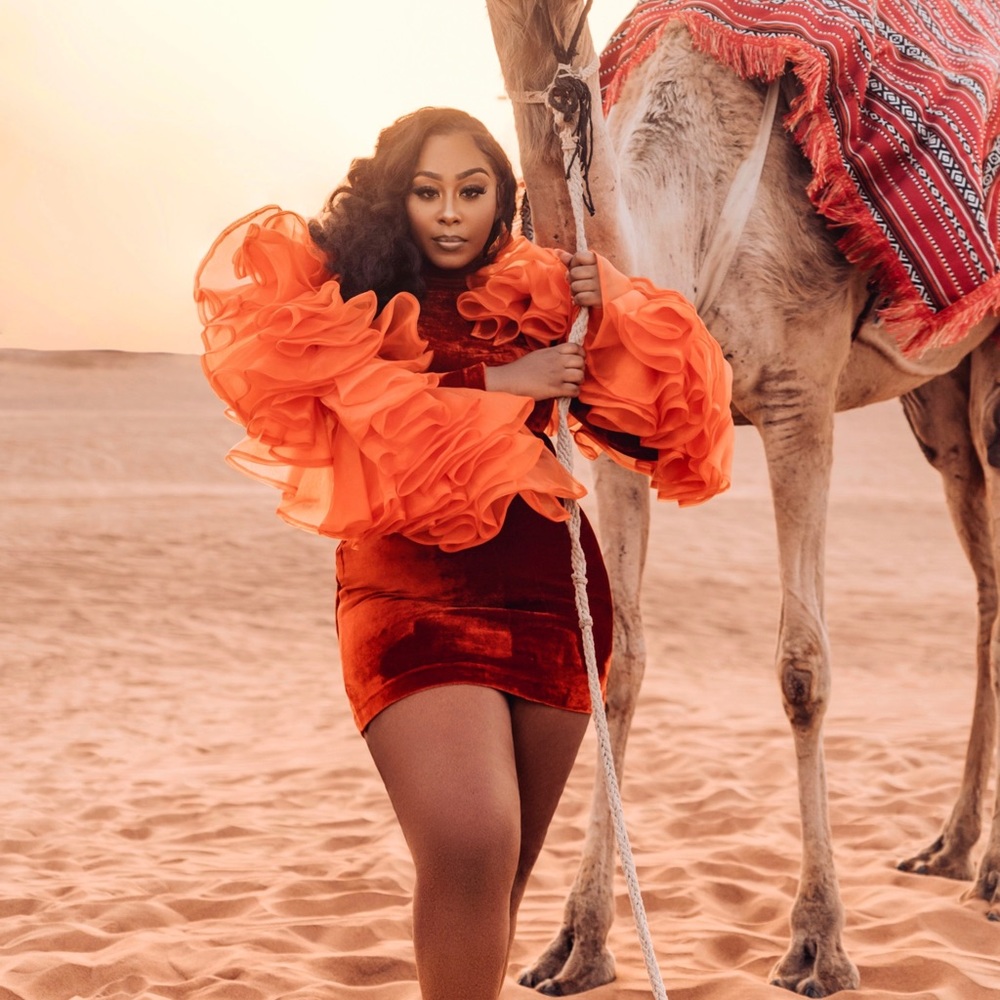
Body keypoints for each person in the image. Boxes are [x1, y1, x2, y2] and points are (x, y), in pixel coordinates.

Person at [196, 107, 733, 1000]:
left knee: (499, 870)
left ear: (501, 199)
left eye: (472, 192)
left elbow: (671, 425)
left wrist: (613, 311)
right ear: (395, 197)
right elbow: (367, 422)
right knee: (472, 838)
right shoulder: (338, 296)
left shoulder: (537, 289)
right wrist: (501, 383)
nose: (450, 212)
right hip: (409, 594)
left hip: (551, 594)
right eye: (428, 191)